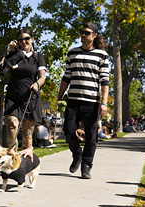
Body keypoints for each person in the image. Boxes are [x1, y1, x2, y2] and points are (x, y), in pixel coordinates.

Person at [57, 22, 109, 179]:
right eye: (82, 32)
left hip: (91, 102)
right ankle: (77, 154)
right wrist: (59, 97)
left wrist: (104, 103)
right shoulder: (72, 53)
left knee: (91, 135)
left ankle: (86, 165)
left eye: (87, 33)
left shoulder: (102, 55)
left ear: (94, 35)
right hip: (72, 101)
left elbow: (105, 81)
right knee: (68, 130)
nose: (83, 35)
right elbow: (66, 77)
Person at [0, 28, 46, 162]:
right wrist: (6, 50)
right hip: (13, 97)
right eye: (21, 40)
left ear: (32, 39)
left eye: (27, 38)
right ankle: (13, 158)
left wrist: (37, 84)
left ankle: (25, 165)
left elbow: (42, 77)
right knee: (11, 124)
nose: (24, 42)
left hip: (30, 98)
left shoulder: (38, 57)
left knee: (27, 137)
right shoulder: (15, 55)